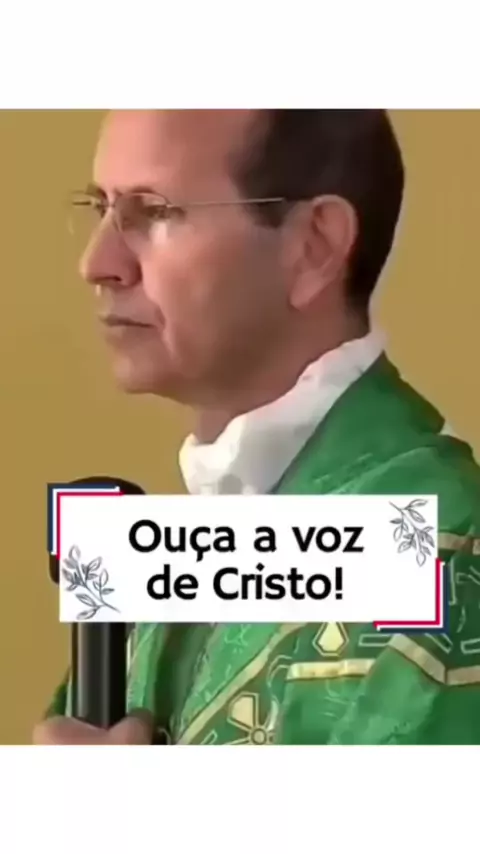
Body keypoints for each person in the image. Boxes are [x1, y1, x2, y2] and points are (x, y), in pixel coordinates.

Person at [35, 109, 480, 746]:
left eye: (153, 212)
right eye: (100, 207)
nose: (96, 263)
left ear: (313, 246)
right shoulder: (157, 561)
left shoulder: (437, 559)